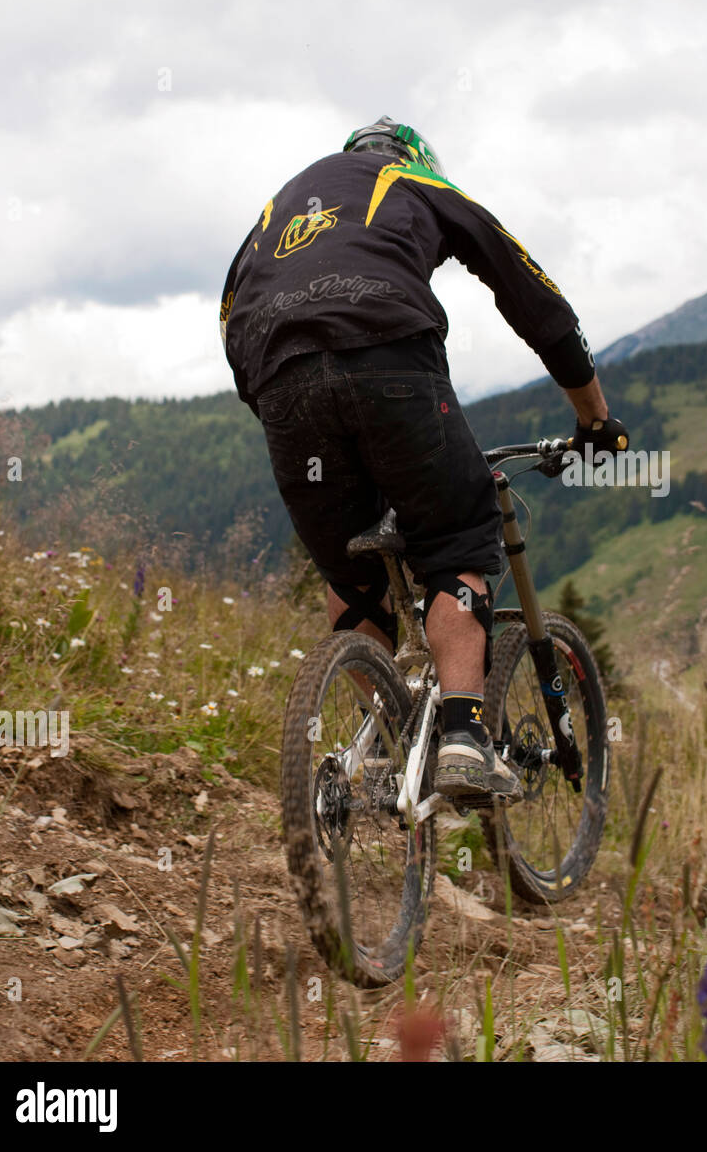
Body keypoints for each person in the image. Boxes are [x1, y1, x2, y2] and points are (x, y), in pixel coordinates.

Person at [220, 117, 628, 803]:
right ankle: (466, 737)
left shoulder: (278, 205)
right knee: (459, 534)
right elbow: (531, 293)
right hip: (389, 353)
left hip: (279, 378)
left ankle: (382, 745)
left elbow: (231, 314)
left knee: (352, 572)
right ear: (413, 158)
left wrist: (293, 410)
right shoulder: (415, 180)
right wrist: (594, 417)